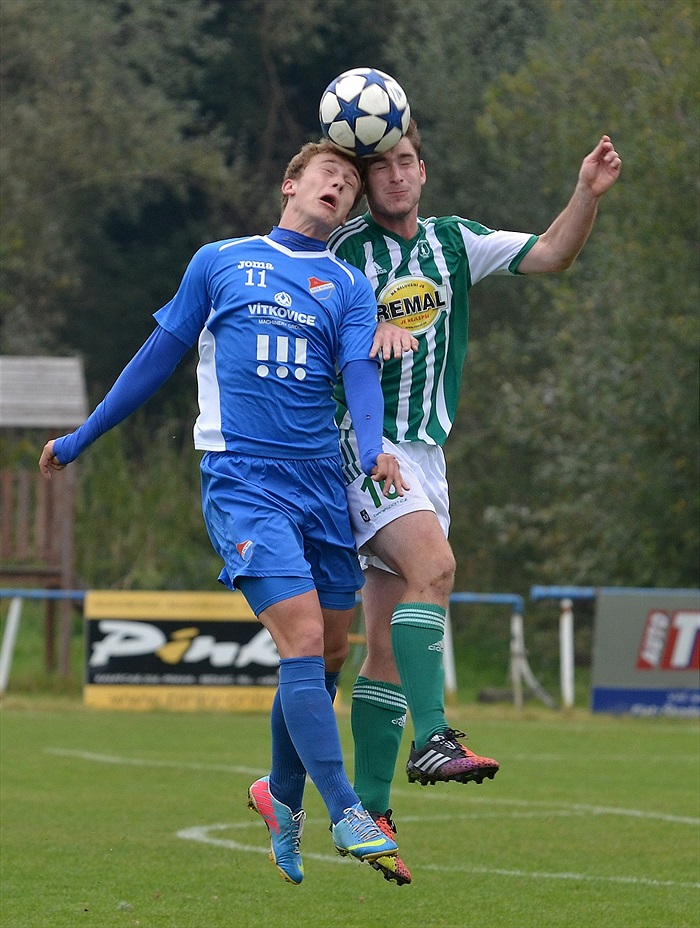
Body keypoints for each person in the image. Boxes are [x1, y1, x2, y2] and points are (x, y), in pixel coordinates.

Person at [38, 139, 414, 886]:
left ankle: (279, 797)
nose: (338, 187)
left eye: (348, 182)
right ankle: (345, 810)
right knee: (303, 636)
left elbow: (359, 378)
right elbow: (157, 355)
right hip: (243, 480)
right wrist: (82, 437)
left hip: (320, 484)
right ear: (289, 185)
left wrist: (372, 447)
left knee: (326, 655)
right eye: (325, 176)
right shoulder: (222, 260)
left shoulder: (347, 285)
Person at [328, 121, 622, 886]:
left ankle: (369, 810)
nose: (395, 176)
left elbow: (553, 254)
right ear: (367, 180)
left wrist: (584, 194)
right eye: (380, 166)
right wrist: (358, 344)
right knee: (437, 567)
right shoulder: (343, 253)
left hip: (428, 456)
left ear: (423, 171)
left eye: (404, 162)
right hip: (368, 446)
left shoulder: (456, 243)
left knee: (385, 646)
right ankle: (433, 737)